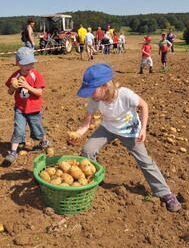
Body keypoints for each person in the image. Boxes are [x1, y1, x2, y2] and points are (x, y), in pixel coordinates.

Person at [69, 63, 182, 212]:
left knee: (145, 161)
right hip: (108, 128)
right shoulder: (94, 100)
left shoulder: (124, 94)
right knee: (88, 150)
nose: (90, 94)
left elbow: (144, 106)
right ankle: (95, 178)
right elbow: (86, 123)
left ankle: (165, 193)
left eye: (92, 90)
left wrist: (143, 129)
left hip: (130, 131)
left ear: (104, 86)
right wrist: (78, 134)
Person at [4, 47, 50, 164]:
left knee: (37, 128)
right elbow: (9, 92)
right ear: (18, 63)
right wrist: (12, 87)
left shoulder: (36, 75)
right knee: (18, 129)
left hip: (34, 108)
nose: (30, 66)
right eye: (26, 63)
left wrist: (27, 86)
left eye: (31, 63)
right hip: (20, 109)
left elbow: (39, 93)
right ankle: (13, 152)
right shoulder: (15, 76)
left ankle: (44, 142)